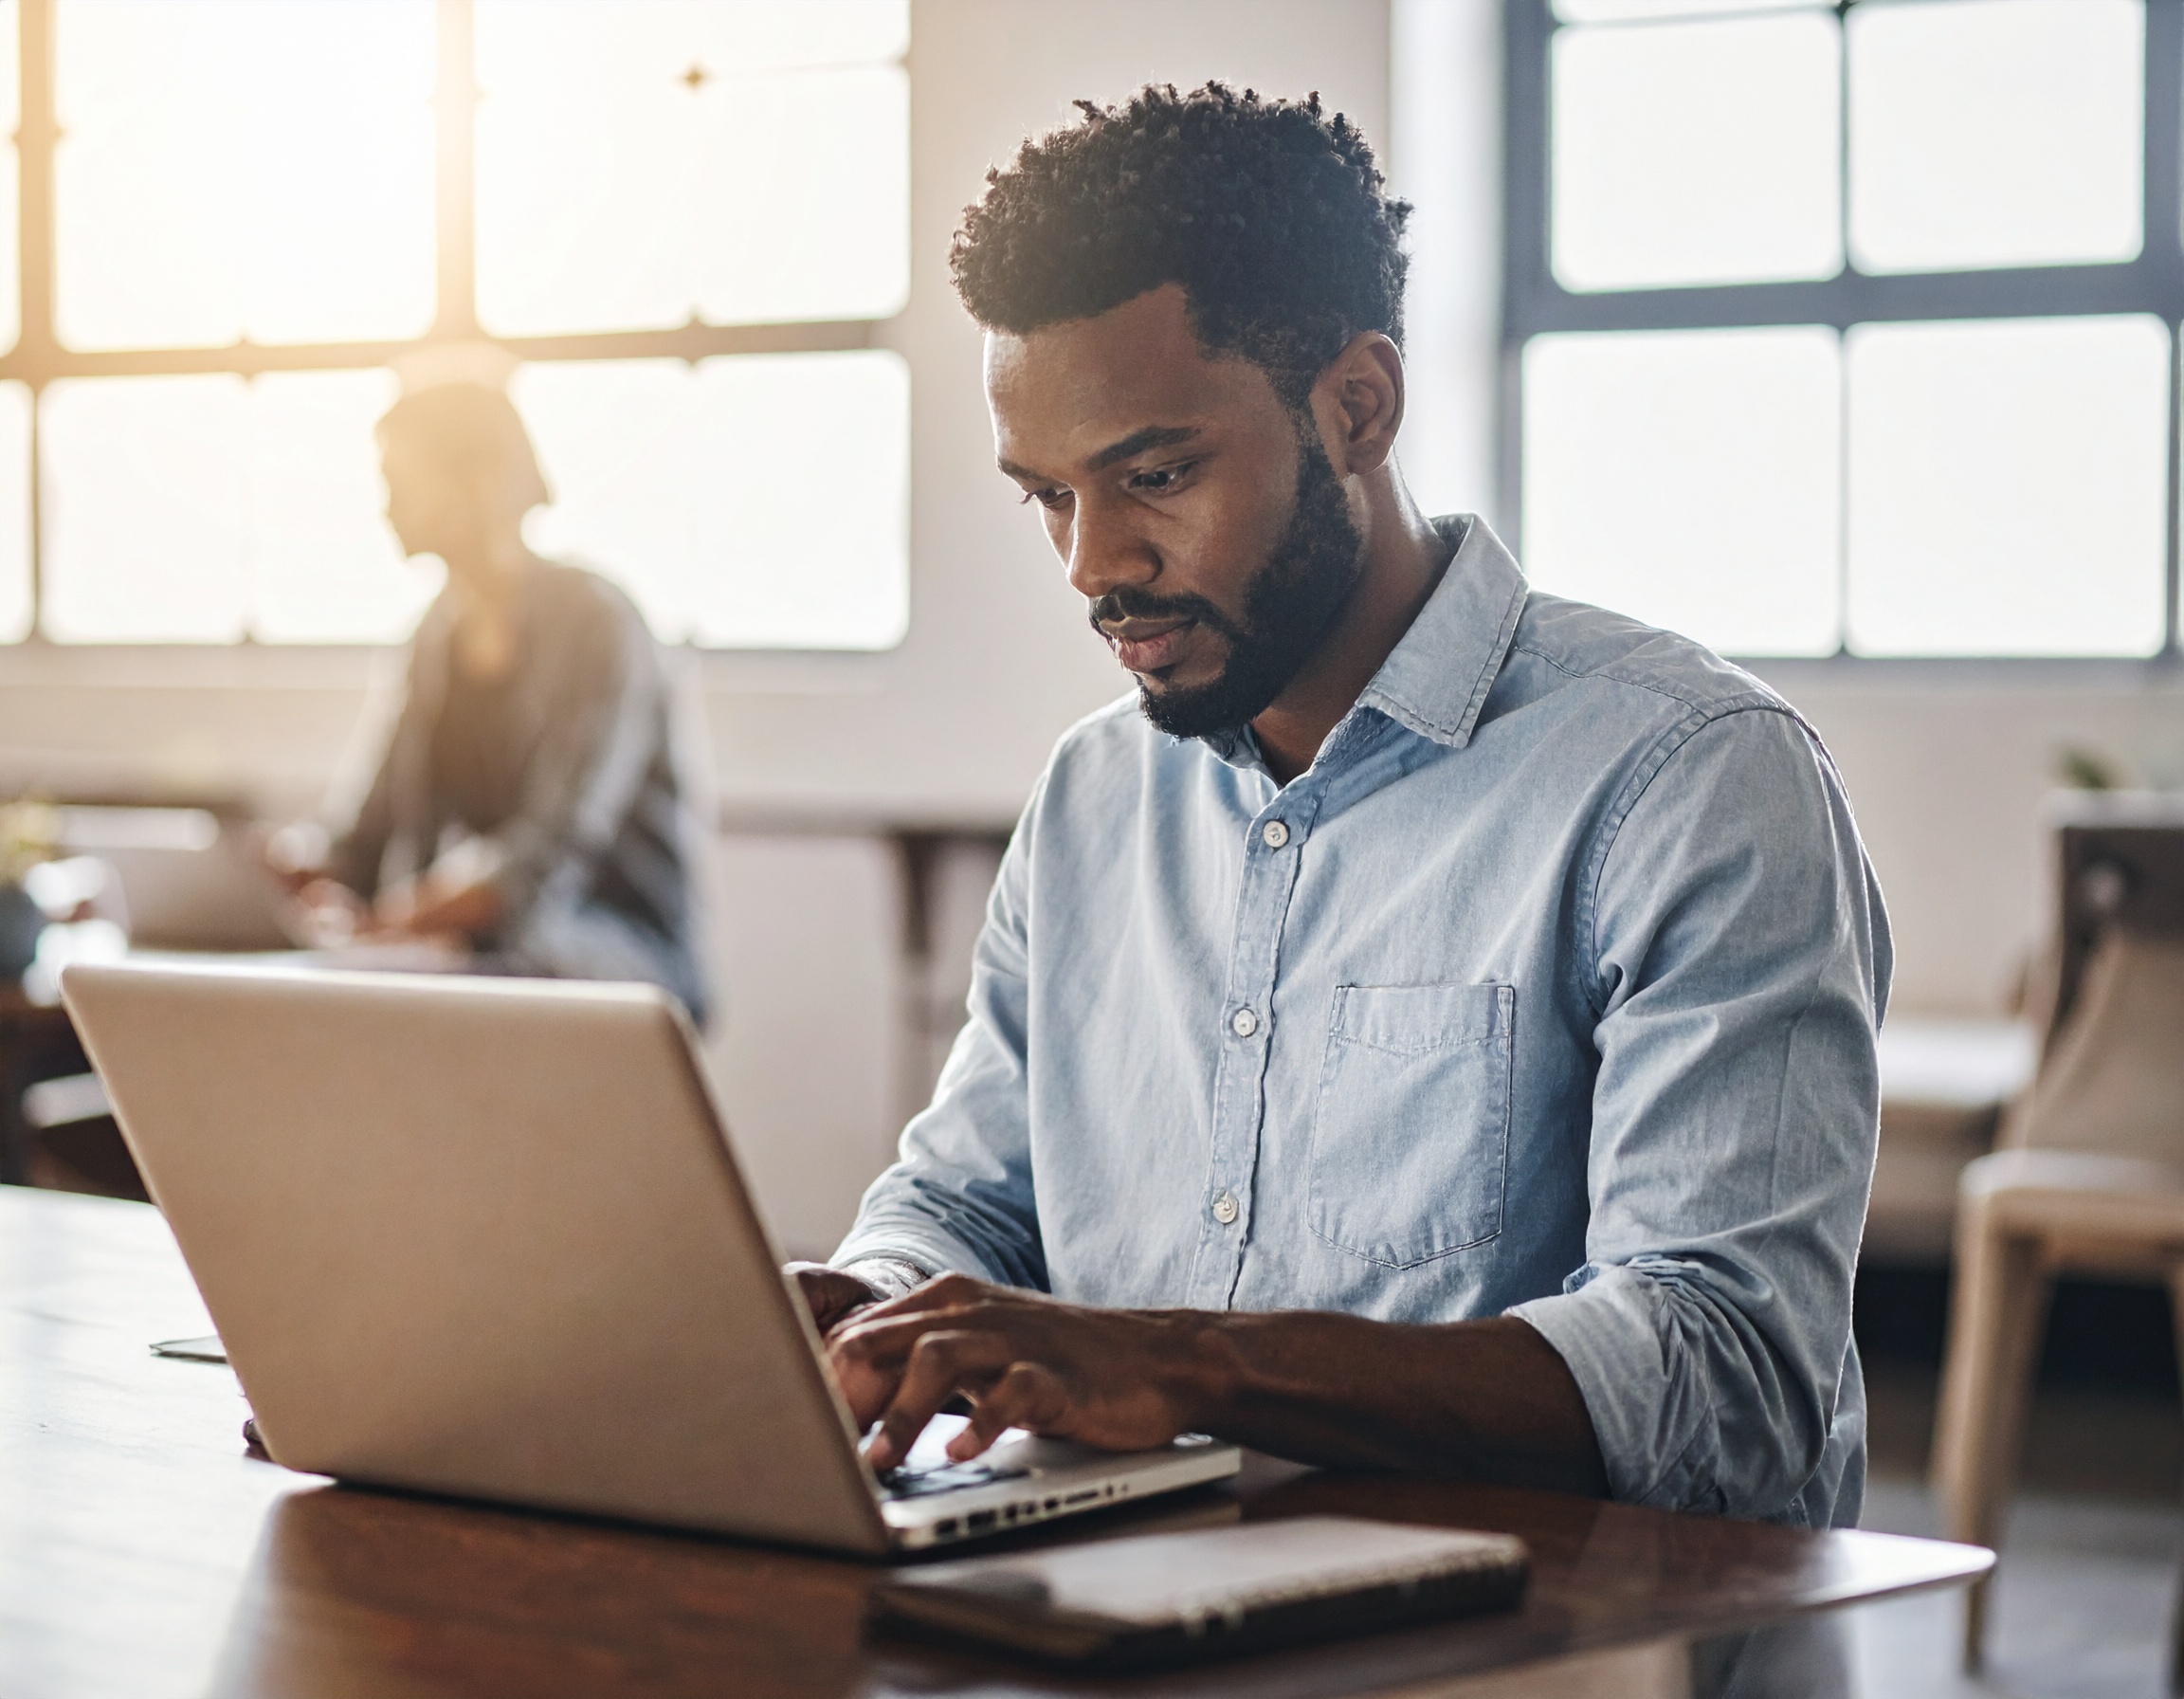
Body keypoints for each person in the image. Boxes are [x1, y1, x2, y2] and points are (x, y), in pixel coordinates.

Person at [790, 83, 1888, 1550]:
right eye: (1047, 497)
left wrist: (1180, 1367)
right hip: (1148, 1598)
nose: (1092, 564)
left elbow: (1728, 1390)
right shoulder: (1093, 798)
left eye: (1156, 474)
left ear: (1357, 407)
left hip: (1566, 1642)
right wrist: (879, 1305)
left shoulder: (1688, 778)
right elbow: (970, 1201)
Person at [295, 382, 709, 1025]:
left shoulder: (599, 624)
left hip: (619, 945)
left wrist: (406, 919)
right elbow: (364, 837)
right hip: (495, 946)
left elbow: (552, 851)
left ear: (474, 479)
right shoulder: (435, 639)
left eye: (402, 481)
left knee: (473, 973)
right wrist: (295, 872)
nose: (387, 508)